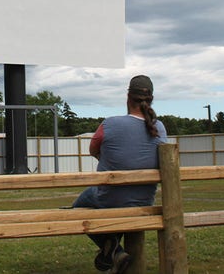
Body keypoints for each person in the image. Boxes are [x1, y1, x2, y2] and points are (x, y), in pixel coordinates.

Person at [72, 75, 168, 273]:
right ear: (151, 99)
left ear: (127, 97)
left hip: (109, 198)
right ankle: (113, 250)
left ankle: (113, 249)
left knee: (76, 210)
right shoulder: (159, 128)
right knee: (124, 204)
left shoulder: (109, 124)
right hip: (144, 201)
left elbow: (93, 150)